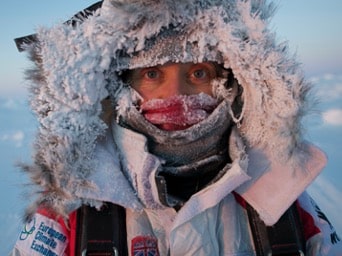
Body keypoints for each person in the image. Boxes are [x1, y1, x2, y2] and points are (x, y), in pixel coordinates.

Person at [11, 0, 341, 255]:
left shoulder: (281, 194)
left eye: (198, 73)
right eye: (153, 75)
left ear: (229, 83)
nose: (176, 95)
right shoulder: (69, 204)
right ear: (123, 88)